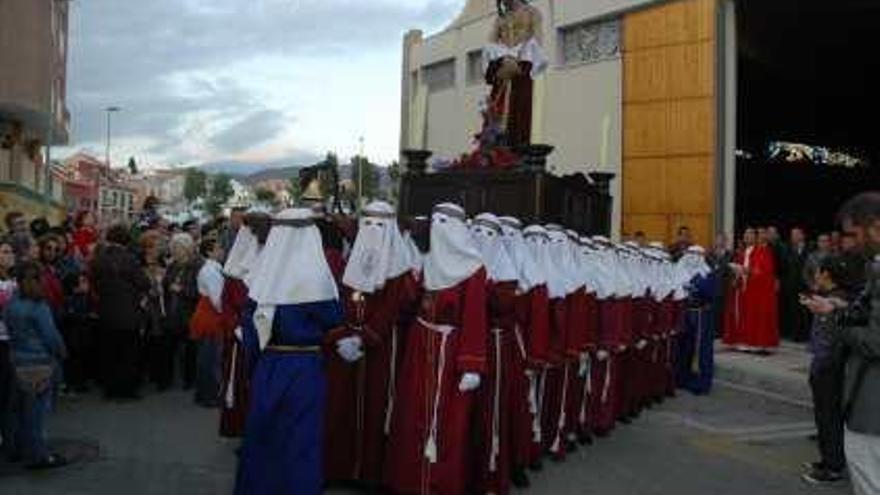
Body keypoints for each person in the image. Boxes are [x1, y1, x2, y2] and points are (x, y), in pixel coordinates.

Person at [235, 208, 343, 495]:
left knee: (265, 436)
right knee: (302, 440)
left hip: (270, 366)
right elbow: (334, 318)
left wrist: (252, 369)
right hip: (306, 368)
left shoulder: (263, 274)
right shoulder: (317, 278)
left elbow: (250, 329)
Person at [384, 203, 487, 495]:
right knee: (413, 414)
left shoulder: (473, 269)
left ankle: (440, 484)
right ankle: (410, 481)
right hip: (421, 344)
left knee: (447, 423)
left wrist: (472, 365)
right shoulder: (429, 261)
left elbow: (474, 318)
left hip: (450, 351)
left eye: (442, 224)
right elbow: (414, 301)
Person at [324, 201, 419, 486]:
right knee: (343, 404)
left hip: (381, 347)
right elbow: (343, 296)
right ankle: (341, 467)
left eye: (380, 225)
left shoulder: (398, 268)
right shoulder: (353, 259)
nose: (373, 230)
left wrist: (365, 337)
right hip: (348, 344)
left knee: (378, 407)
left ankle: (372, 473)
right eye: (368, 224)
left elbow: (392, 308)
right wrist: (343, 333)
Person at [804, 191, 880, 495]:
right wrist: (836, 309)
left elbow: (874, 341)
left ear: (875, 226)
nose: (851, 242)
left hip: (873, 410)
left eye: (853, 233)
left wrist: (836, 318)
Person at [3, 261, 68, 469]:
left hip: (18, 360)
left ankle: (17, 448)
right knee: (37, 412)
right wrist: (61, 351)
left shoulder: (12, 304)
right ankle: (39, 454)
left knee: (19, 410)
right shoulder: (39, 306)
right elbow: (50, 336)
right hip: (40, 361)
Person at [800, 257, 848, 485]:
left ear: (827, 274)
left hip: (829, 365)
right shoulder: (828, 297)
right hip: (821, 361)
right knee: (822, 414)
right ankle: (827, 459)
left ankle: (833, 466)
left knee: (829, 415)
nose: (815, 277)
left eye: (818, 273)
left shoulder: (838, 299)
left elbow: (834, 337)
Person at [90, 225, 151, 400]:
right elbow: (143, 283)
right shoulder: (130, 259)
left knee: (109, 353)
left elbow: (94, 282)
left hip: (106, 311)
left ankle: (109, 390)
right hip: (129, 312)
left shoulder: (99, 259)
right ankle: (126, 391)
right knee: (128, 354)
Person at [484, 0, 548, 148]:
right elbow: (490, 44)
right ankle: (495, 150)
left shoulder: (532, 12)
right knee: (496, 112)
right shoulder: (500, 19)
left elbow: (538, 41)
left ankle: (518, 150)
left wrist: (521, 58)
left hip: (523, 68)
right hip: (503, 68)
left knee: (521, 111)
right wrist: (502, 59)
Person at [723, 228, 779, 352]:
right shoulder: (741, 252)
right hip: (742, 288)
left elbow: (765, 272)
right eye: (745, 234)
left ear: (755, 237)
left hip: (756, 290)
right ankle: (742, 341)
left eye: (750, 234)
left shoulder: (763, 251)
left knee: (755, 317)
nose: (747, 237)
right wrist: (736, 273)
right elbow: (738, 269)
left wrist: (747, 271)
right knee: (742, 316)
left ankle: (757, 343)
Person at [190, 238, 226, 407]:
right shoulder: (211, 271)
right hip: (210, 317)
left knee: (208, 357)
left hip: (207, 314)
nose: (222, 250)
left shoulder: (212, 269)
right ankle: (209, 394)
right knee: (211, 358)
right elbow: (217, 299)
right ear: (209, 252)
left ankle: (204, 393)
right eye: (218, 248)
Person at [162, 233, 201, 390]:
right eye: (174, 248)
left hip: (188, 313)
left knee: (190, 350)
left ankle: (189, 380)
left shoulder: (197, 266)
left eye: (178, 248)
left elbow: (200, 291)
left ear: (187, 249)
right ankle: (166, 380)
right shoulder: (173, 265)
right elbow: (166, 282)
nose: (175, 252)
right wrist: (165, 282)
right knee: (168, 349)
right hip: (172, 312)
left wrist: (182, 289)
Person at [676, 246, 716, 395]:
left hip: (701, 315)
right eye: (691, 253)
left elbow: (710, 293)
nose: (693, 257)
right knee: (684, 347)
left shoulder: (707, 273)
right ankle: (682, 379)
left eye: (697, 254)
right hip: (685, 313)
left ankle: (701, 383)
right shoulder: (679, 269)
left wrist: (696, 284)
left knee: (701, 350)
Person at [0, 240, 17, 460]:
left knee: (6, 394)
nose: (9, 255)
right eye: (4, 251)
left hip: (10, 341)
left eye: (10, 251)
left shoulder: (12, 280)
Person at [780, 227, 810, 342]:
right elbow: (785, 267)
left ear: (802, 236)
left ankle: (805, 335)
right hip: (792, 285)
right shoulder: (788, 249)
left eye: (796, 234)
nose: (793, 237)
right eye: (792, 235)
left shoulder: (809, 249)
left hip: (805, 286)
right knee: (793, 310)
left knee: (804, 311)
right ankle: (794, 334)